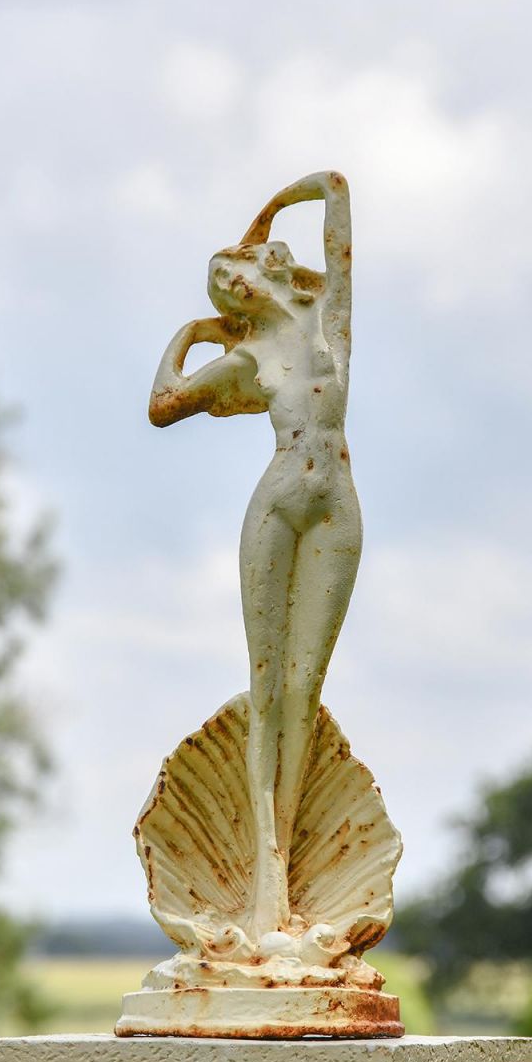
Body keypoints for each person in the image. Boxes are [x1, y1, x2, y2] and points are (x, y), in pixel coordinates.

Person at [149, 172, 361, 950]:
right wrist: (193, 335)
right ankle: (267, 881)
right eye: (219, 284)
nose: (229, 282)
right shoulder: (248, 361)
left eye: (231, 268)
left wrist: (271, 206)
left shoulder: (329, 321)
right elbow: (163, 407)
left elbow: (337, 192)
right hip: (276, 502)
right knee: (267, 686)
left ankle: (289, 872)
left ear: (266, 266)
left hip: (336, 503)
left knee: (306, 688)